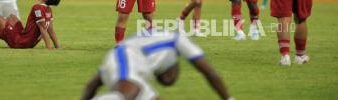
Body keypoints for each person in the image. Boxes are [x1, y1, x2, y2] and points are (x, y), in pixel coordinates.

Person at [81, 31, 233, 100]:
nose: (167, 78)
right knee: (128, 94)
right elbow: (210, 73)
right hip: (125, 56)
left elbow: (92, 84)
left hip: (120, 57)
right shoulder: (176, 39)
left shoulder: (148, 55)